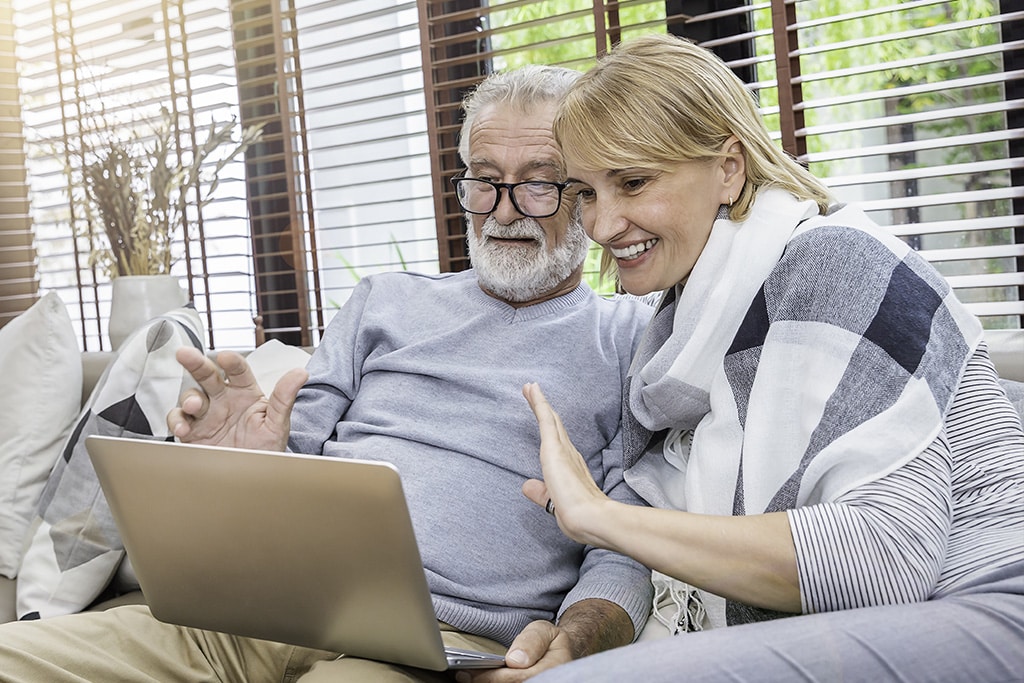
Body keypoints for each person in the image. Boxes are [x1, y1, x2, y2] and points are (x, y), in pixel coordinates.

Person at [0, 65, 656, 682]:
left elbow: (628, 540)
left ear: (586, 193)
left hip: (433, 644)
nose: (504, 211)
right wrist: (243, 464)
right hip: (251, 611)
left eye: (538, 181)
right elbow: (288, 461)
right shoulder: (386, 300)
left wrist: (575, 640)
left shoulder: (631, 339)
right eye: (484, 178)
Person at [519, 34, 1024, 682]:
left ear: (729, 166)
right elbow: (663, 553)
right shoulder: (686, 331)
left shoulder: (834, 260)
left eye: (634, 181)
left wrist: (599, 516)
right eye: (585, 192)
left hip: (988, 605)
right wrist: (576, 633)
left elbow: (884, 558)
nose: (603, 223)